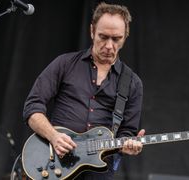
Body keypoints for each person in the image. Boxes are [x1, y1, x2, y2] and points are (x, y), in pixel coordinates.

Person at [23, 2, 144, 179]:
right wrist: (54, 136)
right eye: (103, 37)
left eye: (116, 39)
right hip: (54, 162)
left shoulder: (132, 83)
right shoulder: (64, 64)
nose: (109, 46)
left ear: (125, 36)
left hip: (98, 172)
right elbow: (32, 107)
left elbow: (127, 133)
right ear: (92, 31)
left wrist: (129, 146)